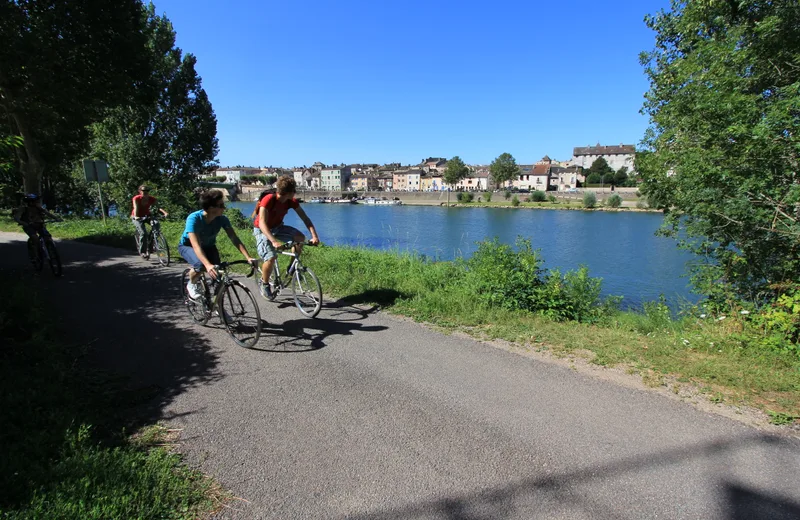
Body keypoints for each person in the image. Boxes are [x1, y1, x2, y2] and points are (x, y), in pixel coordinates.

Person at [179, 189, 257, 300]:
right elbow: (196, 245)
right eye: (221, 205)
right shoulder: (194, 218)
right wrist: (207, 265)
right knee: (200, 265)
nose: (224, 208)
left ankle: (218, 308)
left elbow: (234, 238)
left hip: (209, 247)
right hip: (188, 246)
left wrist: (248, 257)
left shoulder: (222, 219)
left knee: (219, 279)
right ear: (211, 208)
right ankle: (192, 283)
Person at [253, 175, 319, 298]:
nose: (295, 193)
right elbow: (262, 223)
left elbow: (305, 218)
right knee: (271, 257)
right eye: (294, 191)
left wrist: (314, 236)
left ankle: (292, 266)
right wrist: (273, 241)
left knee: (300, 238)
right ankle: (265, 284)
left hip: (278, 227)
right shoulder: (268, 199)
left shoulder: (291, 201)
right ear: (289, 192)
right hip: (262, 230)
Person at [131, 185, 168, 259]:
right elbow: (136, 207)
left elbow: (158, 207)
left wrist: (165, 213)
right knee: (143, 233)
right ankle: (143, 252)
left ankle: (154, 243)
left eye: (147, 191)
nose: (145, 192)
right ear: (140, 191)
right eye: (143, 191)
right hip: (137, 217)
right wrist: (136, 216)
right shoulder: (136, 198)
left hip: (147, 215)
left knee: (156, 223)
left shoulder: (151, 199)